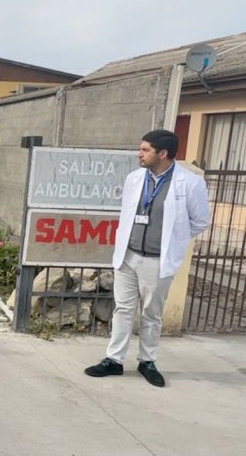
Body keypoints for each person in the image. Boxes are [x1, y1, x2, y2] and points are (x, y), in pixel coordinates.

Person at [84, 130, 210, 387]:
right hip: (128, 256)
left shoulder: (190, 183)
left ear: (162, 154)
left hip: (157, 260)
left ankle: (147, 361)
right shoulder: (135, 178)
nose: (139, 154)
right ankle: (114, 360)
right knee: (123, 309)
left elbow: (200, 221)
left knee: (152, 314)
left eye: (145, 150)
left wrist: (174, 239)